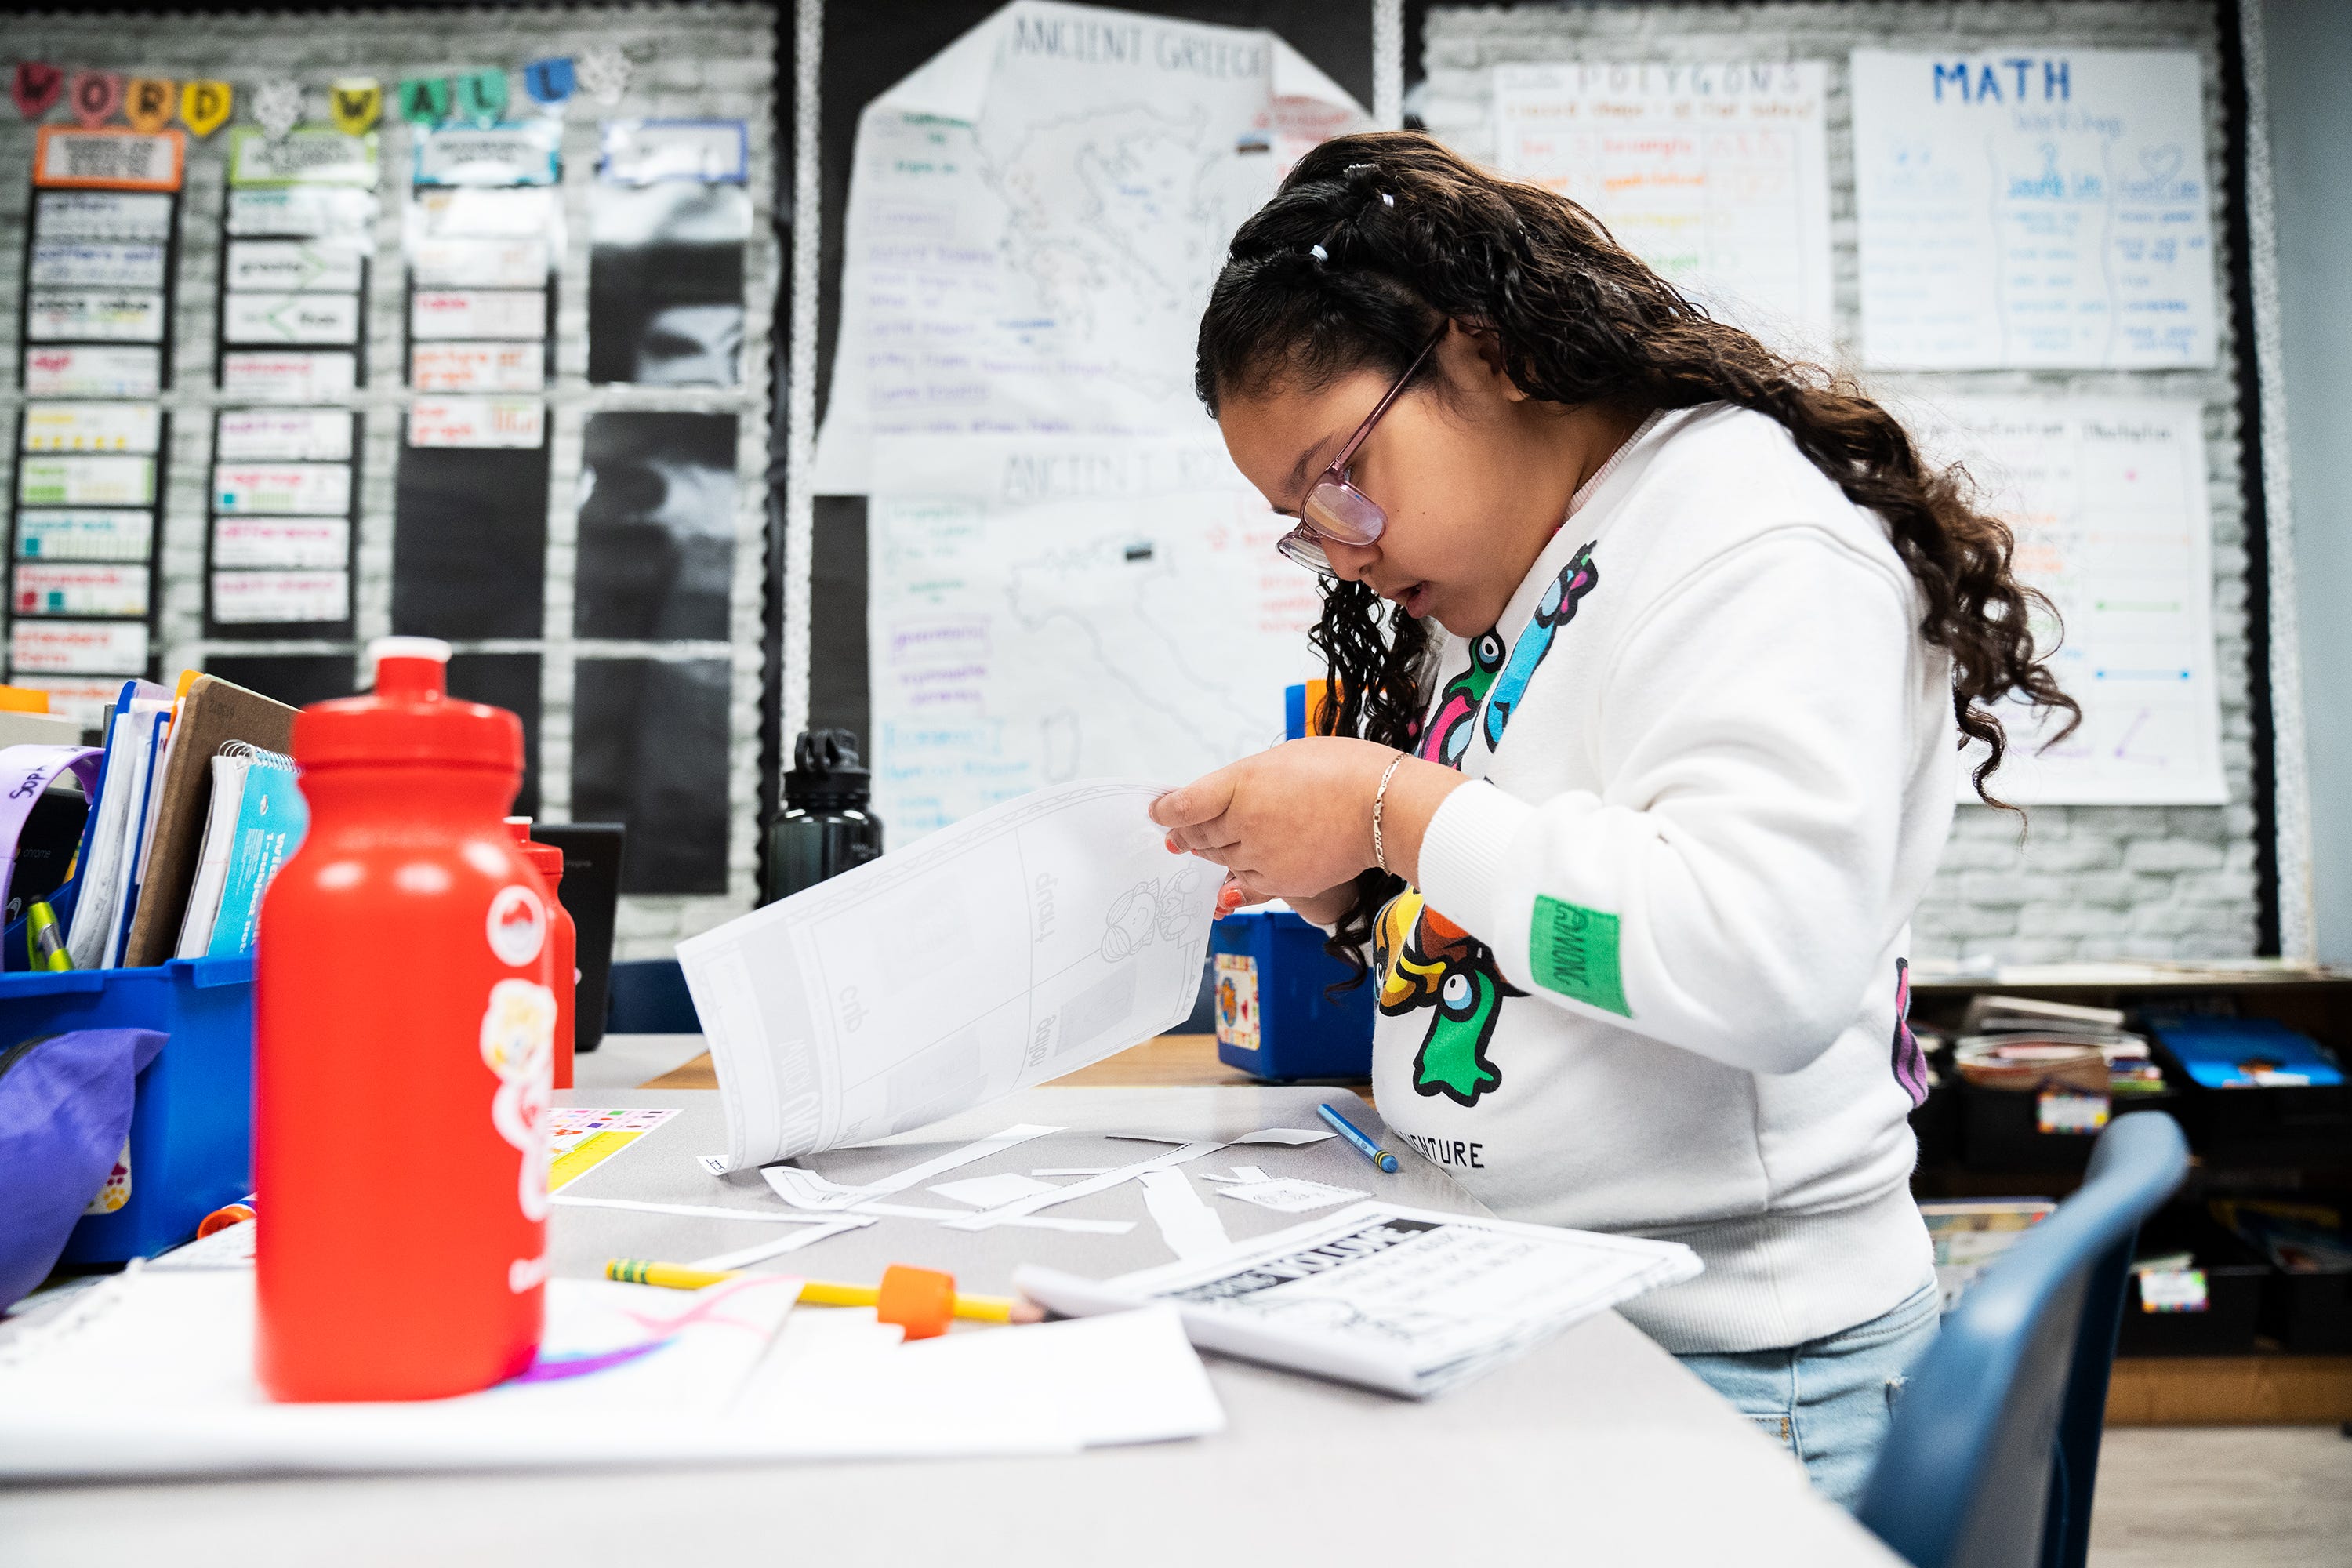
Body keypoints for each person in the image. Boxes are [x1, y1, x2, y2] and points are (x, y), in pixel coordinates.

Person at [1150, 132, 2076, 1508]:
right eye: (1301, 520)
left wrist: (1388, 805)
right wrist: (1348, 876)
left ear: (1474, 347)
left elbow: (1756, 967)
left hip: (1733, 1378)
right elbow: (1550, 905)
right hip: (1539, 1316)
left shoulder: (1751, 537)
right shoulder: (1516, 576)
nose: (1339, 545)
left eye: (1340, 473)